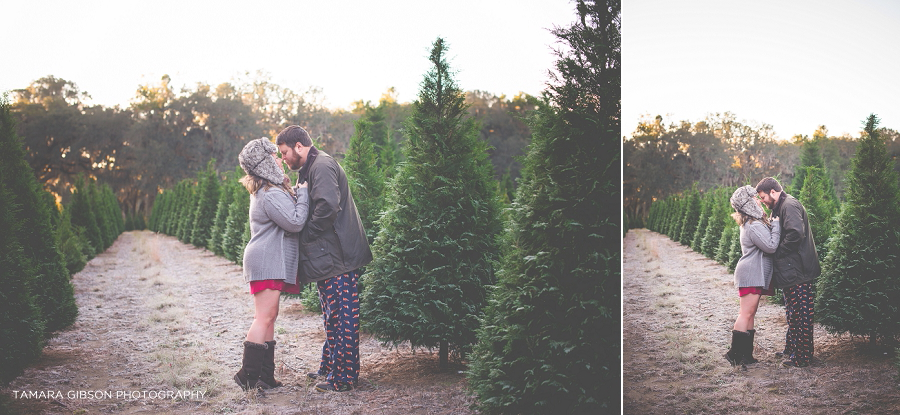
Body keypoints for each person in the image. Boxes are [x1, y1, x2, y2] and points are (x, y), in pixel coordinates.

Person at [276, 125, 372, 392]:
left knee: (343, 317)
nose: (283, 159)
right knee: (332, 316)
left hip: (338, 258)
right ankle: (329, 368)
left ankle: (343, 379)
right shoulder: (309, 169)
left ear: (298, 146)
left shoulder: (322, 166)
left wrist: (305, 235)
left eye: (284, 153)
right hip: (327, 258)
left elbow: (328, 207)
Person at [233, 137, 309, 390]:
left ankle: (265, 376)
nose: (280, 160)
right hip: (266, 259)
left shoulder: (269, 190)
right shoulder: (270, 193)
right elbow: (295, 222)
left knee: (269, 317)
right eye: (275, 157)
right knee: (264, 318)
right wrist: (305, 194)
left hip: (267, 258)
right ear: (265, 164)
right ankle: (248, 375)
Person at [756, 177, 820, 368]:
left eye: (763, 197)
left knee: (802, 314)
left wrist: (778, 252)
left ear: (773, 192)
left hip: (798, 270)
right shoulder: (779, 207)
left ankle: (802, 358)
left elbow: (795, 233)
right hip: (791, 269)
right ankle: (792, 350)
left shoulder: (789, 205)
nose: (762, 201)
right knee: (793, 312)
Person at [725, 185, 781, 366]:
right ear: (748, 203)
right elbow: (771, 246)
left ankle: (746, 356)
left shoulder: (752, 222)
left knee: (750, 314)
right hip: (750, 272)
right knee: (746, 313)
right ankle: (734, 354)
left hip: (753, 272)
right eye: (755, 199)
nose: (759, 201)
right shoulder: (753, 225)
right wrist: (777, 225)